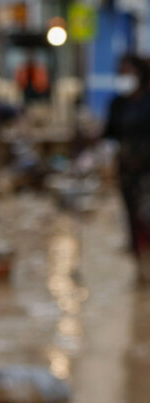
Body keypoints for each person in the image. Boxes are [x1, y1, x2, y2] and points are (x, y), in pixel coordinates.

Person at [103, 54, 150, 282]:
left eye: (129, 72)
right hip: (127, 169)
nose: (125, 78)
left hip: (148, 169)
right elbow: (109, 135)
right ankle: (140, 269)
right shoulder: (117, 104)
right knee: (131, 216)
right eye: (122, 73)